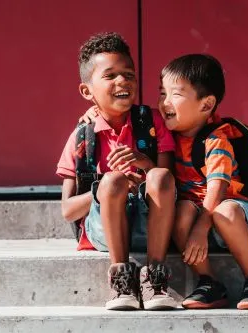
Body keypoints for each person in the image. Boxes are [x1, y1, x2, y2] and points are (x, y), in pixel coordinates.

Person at [57, 32, 178, 310]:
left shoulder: (152, 122)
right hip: (104, 230)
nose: (122, 81)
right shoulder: (82, 137)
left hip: (152, 224)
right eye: (110, 76)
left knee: (158, 175)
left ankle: (156, 278)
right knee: (111, 182)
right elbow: (68, 210)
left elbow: (170, 183)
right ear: (87, 91)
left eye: (129, 74)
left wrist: (145, 166)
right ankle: (122, 279)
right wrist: (107, 188)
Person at [158, 54, 248, 310]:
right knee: (180, 210)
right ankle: (209, 282)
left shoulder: (216, 140)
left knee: (225, 210)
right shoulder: (165, 133)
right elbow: (132, 118)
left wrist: (201, 228)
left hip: (235, 216)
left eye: (175, 95)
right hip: (197, 219)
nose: (165, 102)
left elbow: (218, 188)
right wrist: (93, 112)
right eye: (162, 93)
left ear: (206, 105)